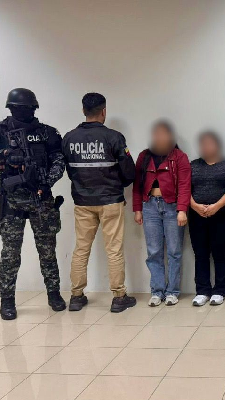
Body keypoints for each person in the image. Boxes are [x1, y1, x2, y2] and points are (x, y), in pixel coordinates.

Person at [62, 92, 137, 313]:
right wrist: (117, 186)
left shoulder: (69, 138)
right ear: (104, 111)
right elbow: (129, 172)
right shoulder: (114, 137)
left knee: (81, 249)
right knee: (114, 249)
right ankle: (119, 297)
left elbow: (69, 171)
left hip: (82, 201)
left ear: (83, 111)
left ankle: (76, 297)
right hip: (111, 200)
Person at [0, 88, 66, 320]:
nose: (23, 112)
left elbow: (59, 160)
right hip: (12, 201)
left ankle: (54, 294)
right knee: (10, 254)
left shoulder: (47, 133)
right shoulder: (0, 131)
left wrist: (47, 182)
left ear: (34, 109)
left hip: (41, 198)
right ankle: (7, 300)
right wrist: (6, 155)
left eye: (27, 109)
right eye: (18, 109)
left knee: (47, 251)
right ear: (10, 109)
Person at [133, 121, 190, 306]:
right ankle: (157, 291)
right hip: (150, 206)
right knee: (154, 251)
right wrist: (137, 209)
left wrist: (182, 210)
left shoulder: (179, 157)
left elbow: (185, 185)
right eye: (156, 134)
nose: (160, 137)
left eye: (164, 134)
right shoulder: (144, 156)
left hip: (172, 207)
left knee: (174, 251)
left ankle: (172, 291)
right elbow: (137, 185)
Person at [189, 131, 225, 307]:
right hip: (197, 215)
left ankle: (220, 291)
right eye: (203, 144)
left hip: (221, 215)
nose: (206, 147)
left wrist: (216, 206)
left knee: (220, 253)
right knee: (200, 254)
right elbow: (184, 189)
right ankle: (202, 291)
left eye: (210, 143)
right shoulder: (193, 165)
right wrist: (194, 206)